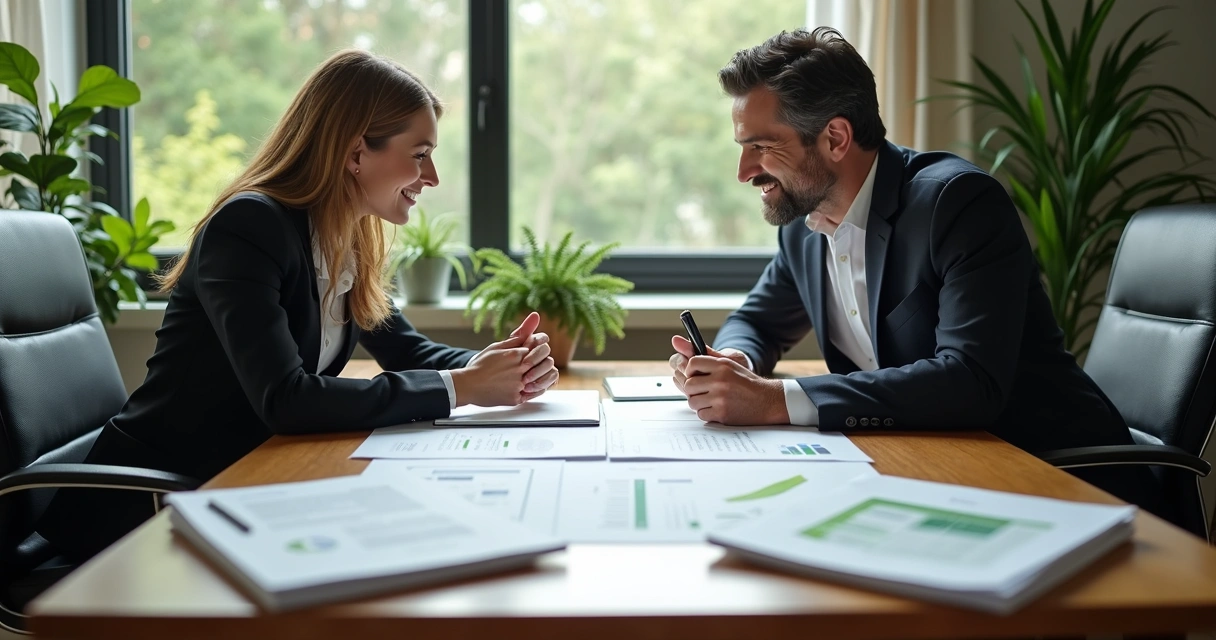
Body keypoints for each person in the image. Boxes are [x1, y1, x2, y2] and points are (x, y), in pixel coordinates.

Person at [38, 50, 558, 560]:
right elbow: (286, 399)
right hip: (147, 509)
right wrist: (463, 388)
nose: (433, 177)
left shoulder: (346, 238)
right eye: (420, 155)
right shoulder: (248, 228)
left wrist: (491, 365)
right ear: (355, 154)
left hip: (243, 486)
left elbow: (404, 349)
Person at [667, 28, 1160, 511]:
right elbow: (758, 321)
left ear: (835, 137)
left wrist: (775, 400)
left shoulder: (955, 204)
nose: (744, 171)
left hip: (1059, 478)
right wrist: (733, 360)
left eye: (762, 147)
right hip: (934, 470)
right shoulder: (804, 225)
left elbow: (970, 381)